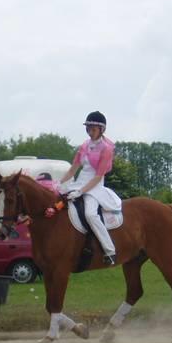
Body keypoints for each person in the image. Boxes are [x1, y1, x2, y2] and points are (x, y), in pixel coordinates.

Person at [59, 111, 122, 265]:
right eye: (88, 128)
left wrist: (81, 192)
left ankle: (109, 250)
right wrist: (59, 183)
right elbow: (73, 169)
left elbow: (98, 176)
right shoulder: (84, 146)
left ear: (101, 130)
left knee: (90, 214)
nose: (90, 131)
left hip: (94, 186)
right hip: (80, 182)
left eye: (93, 129)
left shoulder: (106, 149)